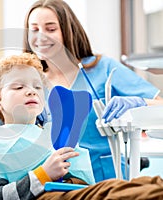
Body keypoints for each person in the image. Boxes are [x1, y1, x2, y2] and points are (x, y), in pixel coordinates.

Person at [0, 52, 163, 200]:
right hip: (48, 196)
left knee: (153, 184)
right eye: (18, 87)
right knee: (143, 194)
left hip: (79, 191)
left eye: (38, 87)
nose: (31, 91)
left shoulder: (51, 138)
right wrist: (42, 175)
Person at [22, 0, 163, 182]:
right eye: (34, 29)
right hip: (56, 183)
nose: (41, 37)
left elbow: (160, 106)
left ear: (68, 31)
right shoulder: (30, 81)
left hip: (107, 179)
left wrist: (140, 103)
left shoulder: (102, 68)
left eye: (51, 29)